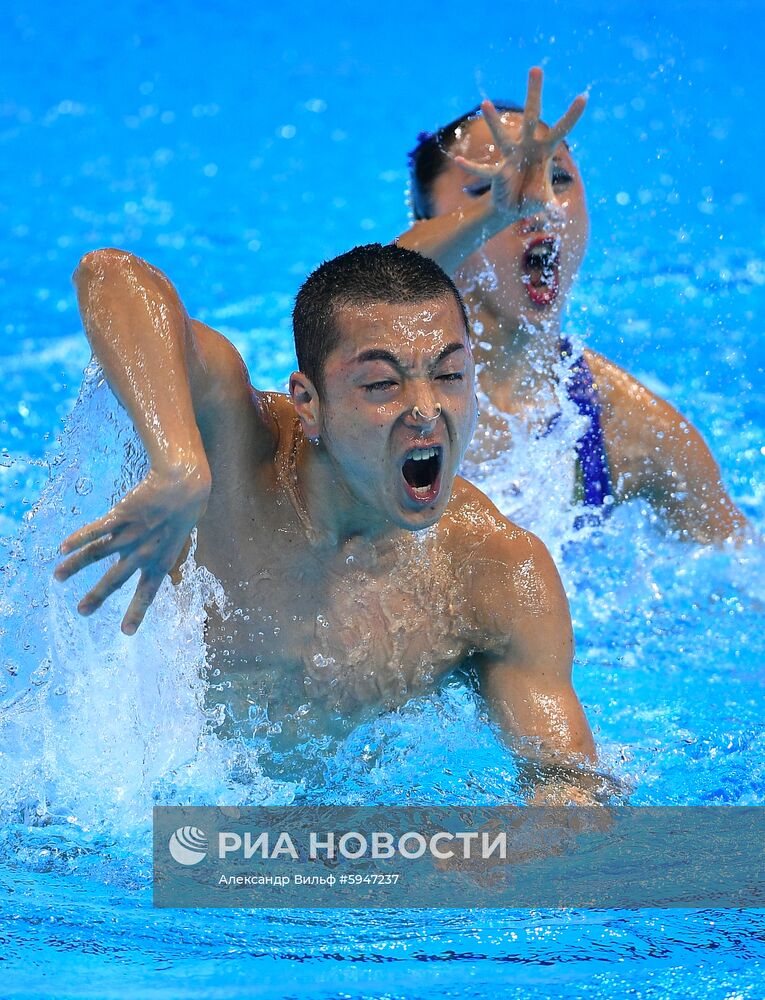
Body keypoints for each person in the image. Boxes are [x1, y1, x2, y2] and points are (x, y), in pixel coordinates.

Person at [53, 242, 606, 804]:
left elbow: (571, 785)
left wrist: (487, 863)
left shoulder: (493, 571)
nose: (426, 409)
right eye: (382, 384)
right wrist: (178, 463)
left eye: (449, 375)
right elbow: (109, 273)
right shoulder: (233, 454)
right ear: (309, 403)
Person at [398, 68, 748, 544]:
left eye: (556, 177)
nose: (533, 204)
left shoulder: (633, 430)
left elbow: (742, 572)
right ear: (428, 224)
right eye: (488, 187)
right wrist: (496, 211)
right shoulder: (380, 394)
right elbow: (368, 288)